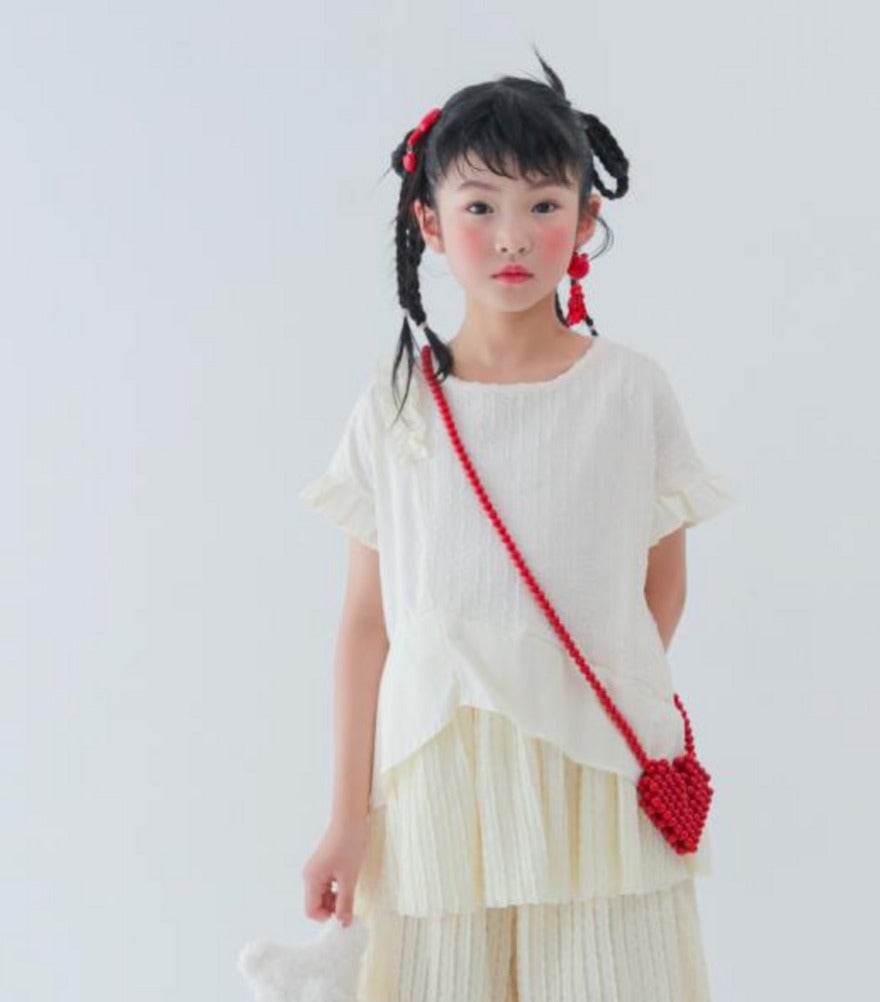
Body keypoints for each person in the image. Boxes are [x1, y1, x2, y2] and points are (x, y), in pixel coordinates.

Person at [297, 46, 738, 1002]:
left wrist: (562, 700)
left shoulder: (629, 392)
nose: (512, 237)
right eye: (480, 206)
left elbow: (662, 588)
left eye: (544, 205)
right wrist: (346, 817)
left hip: (597, 782)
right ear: (429, 221)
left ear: (586, 219)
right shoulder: (398, 403)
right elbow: (367, 625)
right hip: (435, 783)